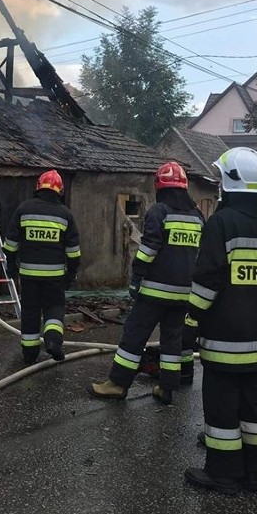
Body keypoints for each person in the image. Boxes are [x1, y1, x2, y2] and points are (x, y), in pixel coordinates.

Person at [184, 147, 257, 496]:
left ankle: (222, 475)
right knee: (253, 409)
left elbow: (207, 280)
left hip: (223, 343)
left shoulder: (221, 223)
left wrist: (191, 321)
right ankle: (251, 474)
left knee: (222, 411)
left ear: (230, 182)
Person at [89, 162, 203, 404]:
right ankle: (166, 388)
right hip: (184, 293)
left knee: (134, 335)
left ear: (160, 186)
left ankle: (118, 384)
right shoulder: (197, 216)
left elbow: (148, 250)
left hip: (154, 292)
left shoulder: (159, 212)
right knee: (172, 340)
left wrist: (136, 277)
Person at [3, 169, 80, 364]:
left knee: (30, 311)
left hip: (28, 274)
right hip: (54, 276)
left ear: (38, 187)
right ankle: (53, 341)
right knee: (54, 307)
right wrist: (71, 275)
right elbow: (73, 251)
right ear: (60, 191)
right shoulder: (65, 215)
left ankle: (30, 353)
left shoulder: (24, 209)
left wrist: (11, 266)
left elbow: (10, 244)